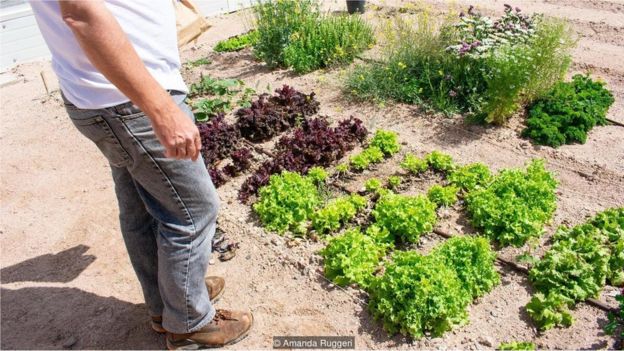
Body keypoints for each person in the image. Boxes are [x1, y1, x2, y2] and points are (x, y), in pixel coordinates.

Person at [29, 1, 253, 349]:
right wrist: (160, 108)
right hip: (129, 99)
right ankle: (190, 322)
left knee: (143, 209)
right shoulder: (141, 102)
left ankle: (169, 303)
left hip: (110, 95)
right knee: (193, 212)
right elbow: (82, 15)